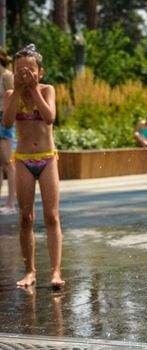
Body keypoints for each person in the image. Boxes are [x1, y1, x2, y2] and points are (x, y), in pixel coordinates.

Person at [2, 44, 65, 288]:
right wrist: (18, 90)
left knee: (51, 216)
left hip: (47, 158)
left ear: (40, 72)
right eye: (20, 70)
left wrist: (33, 90)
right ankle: (29, 271)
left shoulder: (47, 90)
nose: (25, 74)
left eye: (30, 70)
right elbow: (7, 122)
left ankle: (56, 271)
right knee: (26, 218)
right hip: (23, 160)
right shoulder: (11, 95)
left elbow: (50, 117)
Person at [0, 48, 16, 214]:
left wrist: (8, 121)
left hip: (4, 120)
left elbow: (13, 99)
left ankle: (11, 203)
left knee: (7, 162)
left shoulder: (7, 76)